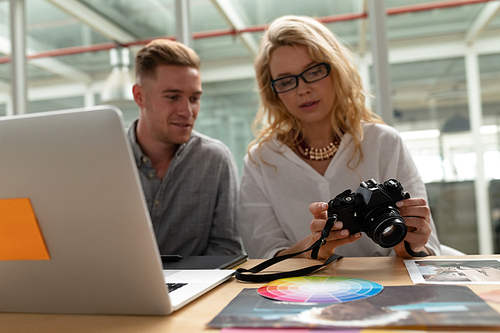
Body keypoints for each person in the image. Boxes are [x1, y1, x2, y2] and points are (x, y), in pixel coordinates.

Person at [238, 15, 441, 259]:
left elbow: (427, 249)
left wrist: (411, 245)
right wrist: (313, 247)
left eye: (313, 72)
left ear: (337, 71)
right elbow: (263, 257)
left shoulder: (384, 142)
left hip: (387, 290)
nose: (303, 89)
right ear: (273, 93)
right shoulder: (261, 160)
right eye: (286, 81)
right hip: (301, 293)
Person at [129, 39, 243, 256]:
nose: (187, 111)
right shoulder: (107, 159)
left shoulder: (215, 160)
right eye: (173, 97)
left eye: (194, 98)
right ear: (139, 96)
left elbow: (227, 249)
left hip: (197, 287)